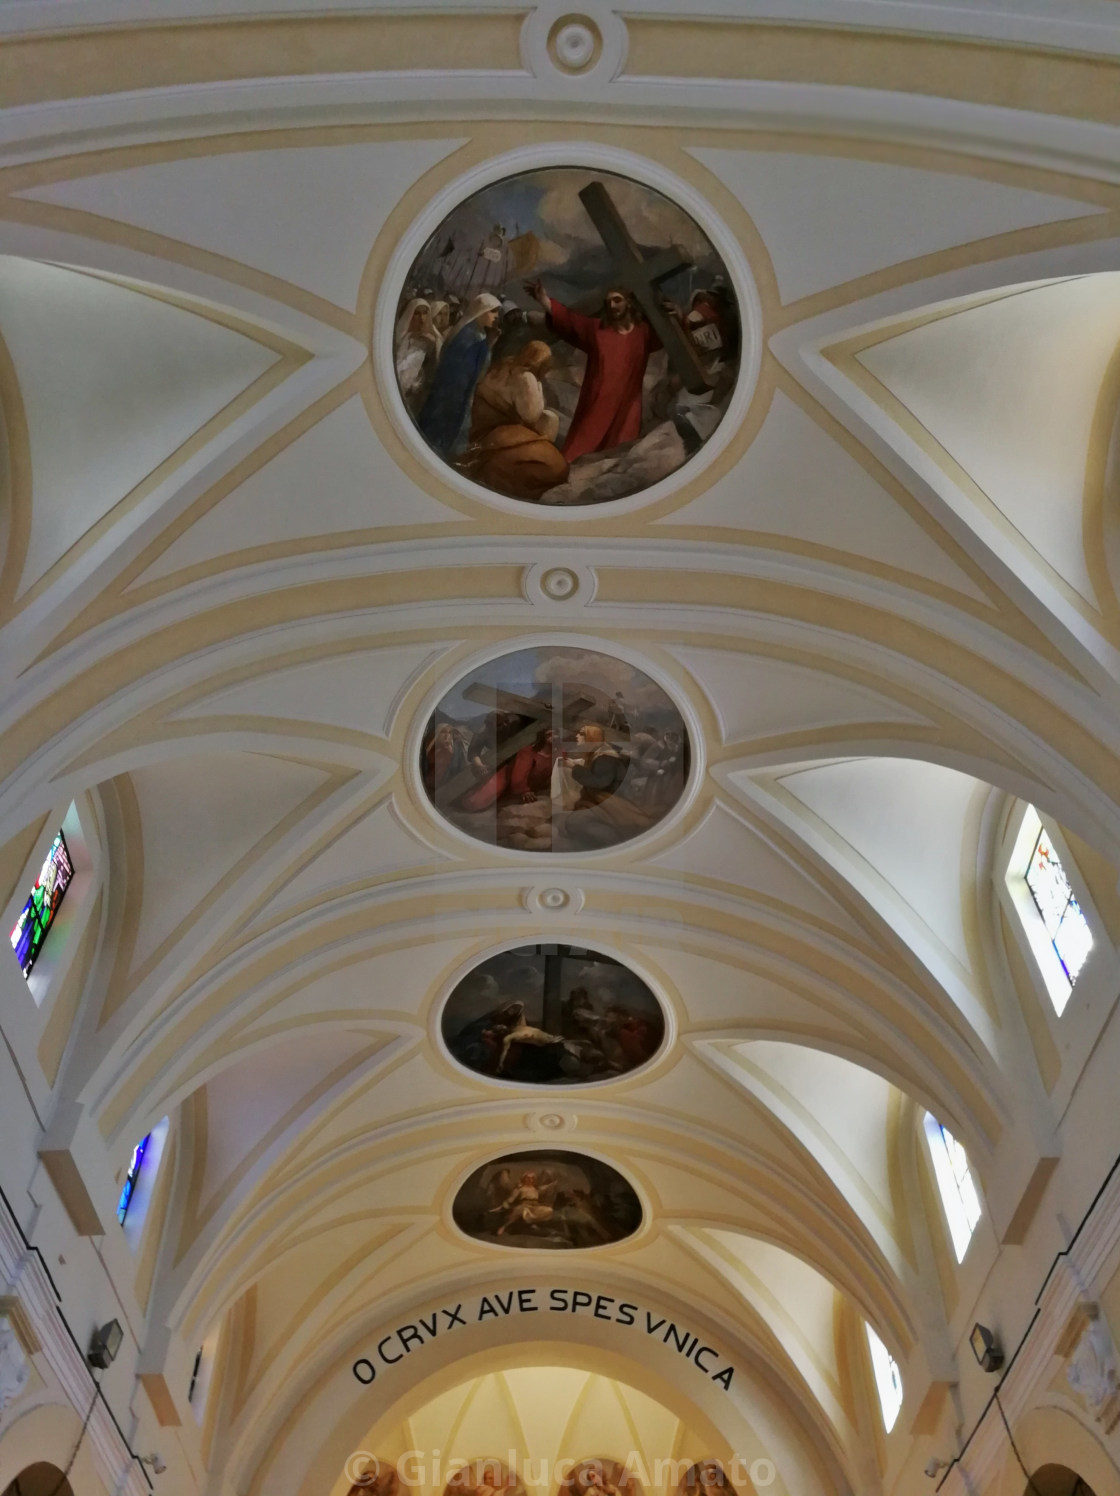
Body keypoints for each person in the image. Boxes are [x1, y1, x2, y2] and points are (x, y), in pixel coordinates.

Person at [524, 279, 661, 462]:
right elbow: (570, 320)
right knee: (579, 449)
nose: (612, 305)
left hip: (628, 405)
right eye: (608, 302)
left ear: (629, 302)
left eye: (617, 300)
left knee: (619, 451)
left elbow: (669, 338)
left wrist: (678, 316)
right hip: (597, 402)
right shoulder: (597, 330)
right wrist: (544, 300)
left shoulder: (643, 333)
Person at [463, 341, 569, 500]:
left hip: (480, 430)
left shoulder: (502, 366)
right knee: (555, 466)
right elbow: (531, 415)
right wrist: (538, 384)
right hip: (501, 433)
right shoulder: (525, 377)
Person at [416, 292, 502, 459]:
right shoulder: (468, 337)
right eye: (493, 311)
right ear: (482, 311)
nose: (496, 316)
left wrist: (488, 344)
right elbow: (461, 373)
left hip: (458, 396)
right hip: (450, 397)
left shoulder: (479, 333)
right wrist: (486, 346)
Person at [394, 298, 442, 412]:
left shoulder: (430, 341)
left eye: (425, 313)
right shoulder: (399, 337)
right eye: (417, 313)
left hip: (414, 394)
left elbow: (433, 368)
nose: (422, 319)